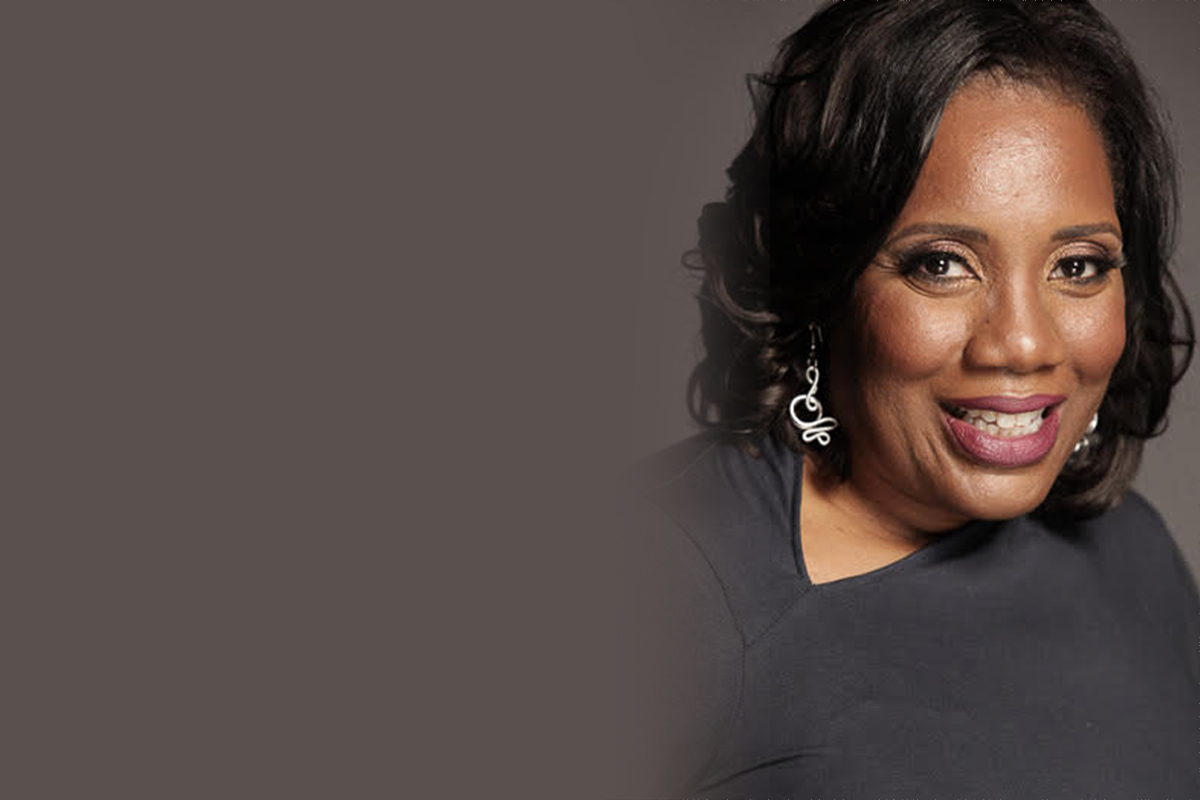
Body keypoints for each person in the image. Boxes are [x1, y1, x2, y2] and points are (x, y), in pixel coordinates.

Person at [624, 0, 1200, 796]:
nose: (1023, 344)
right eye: (941, 263)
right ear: (821, 283)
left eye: (1077, 266)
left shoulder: (1133, 552)